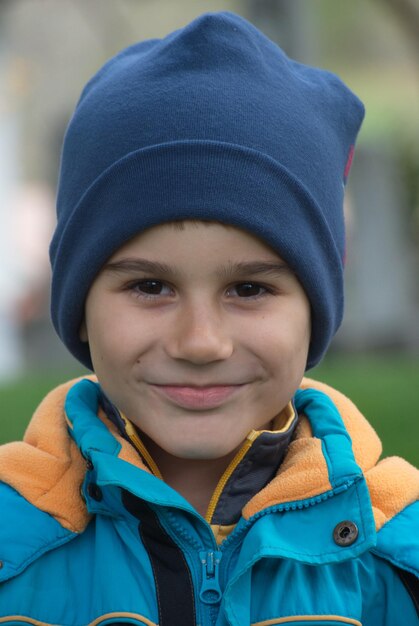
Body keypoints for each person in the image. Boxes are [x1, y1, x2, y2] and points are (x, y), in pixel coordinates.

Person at [0, 11, 418, 625]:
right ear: (80, 306)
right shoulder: (16, 548)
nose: (201, 342)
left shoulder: (394, 559)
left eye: (249, 288)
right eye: (149, 286)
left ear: (316, 311)